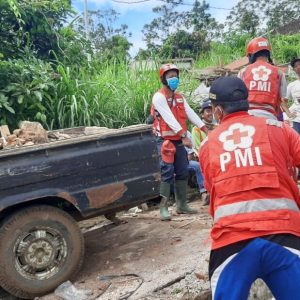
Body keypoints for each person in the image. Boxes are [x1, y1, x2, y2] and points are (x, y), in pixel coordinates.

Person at [199, 76, 300, 300]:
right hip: (284, 235)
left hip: (232, 242)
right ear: (248, 102)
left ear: (217, 111)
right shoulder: (279, 128)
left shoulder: (207, 145)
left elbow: (212, 193)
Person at [151, 63, 206, 221]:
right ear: (163, 79)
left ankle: (181, 205)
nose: (173, 79)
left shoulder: (180, 98)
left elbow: (191, 114)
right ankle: (163, 207)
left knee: (182, 170)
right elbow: (170, 119)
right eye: (170, 76)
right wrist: (184, 135)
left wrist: (206, 129)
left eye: (175, 76)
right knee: (167, 172)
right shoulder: (159, 97)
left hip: (179, 140)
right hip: (165, 141)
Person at [238, 36, 294, 120]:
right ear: (268, 53)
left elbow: (239, 97)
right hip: (270, 119)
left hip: (248, 117)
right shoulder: (279, 73)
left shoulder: (243, 71)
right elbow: (282, 97)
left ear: (251, 55)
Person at [284, 57, 300, 134]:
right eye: (296, 66)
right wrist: (288, 113)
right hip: (297, 120)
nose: (298, 67)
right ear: (294, 70)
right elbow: (283, 101)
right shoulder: (292, 85)